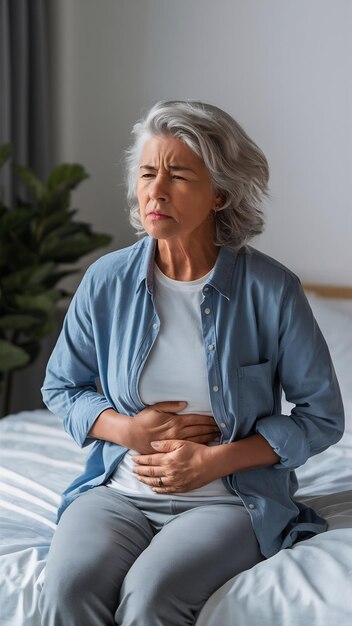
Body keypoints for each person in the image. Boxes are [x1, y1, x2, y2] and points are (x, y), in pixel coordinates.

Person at [39, 100, 344, 626]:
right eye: (147, 173)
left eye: (178, 175)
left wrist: (212, 462)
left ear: (220, 193)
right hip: (119, 493)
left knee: (152, 595)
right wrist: (128, 430)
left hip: (228, 502)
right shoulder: (106, 281)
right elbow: (61, 386)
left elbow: (321, 416)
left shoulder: (271, 289)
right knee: (69, 588)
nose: (156, 190)